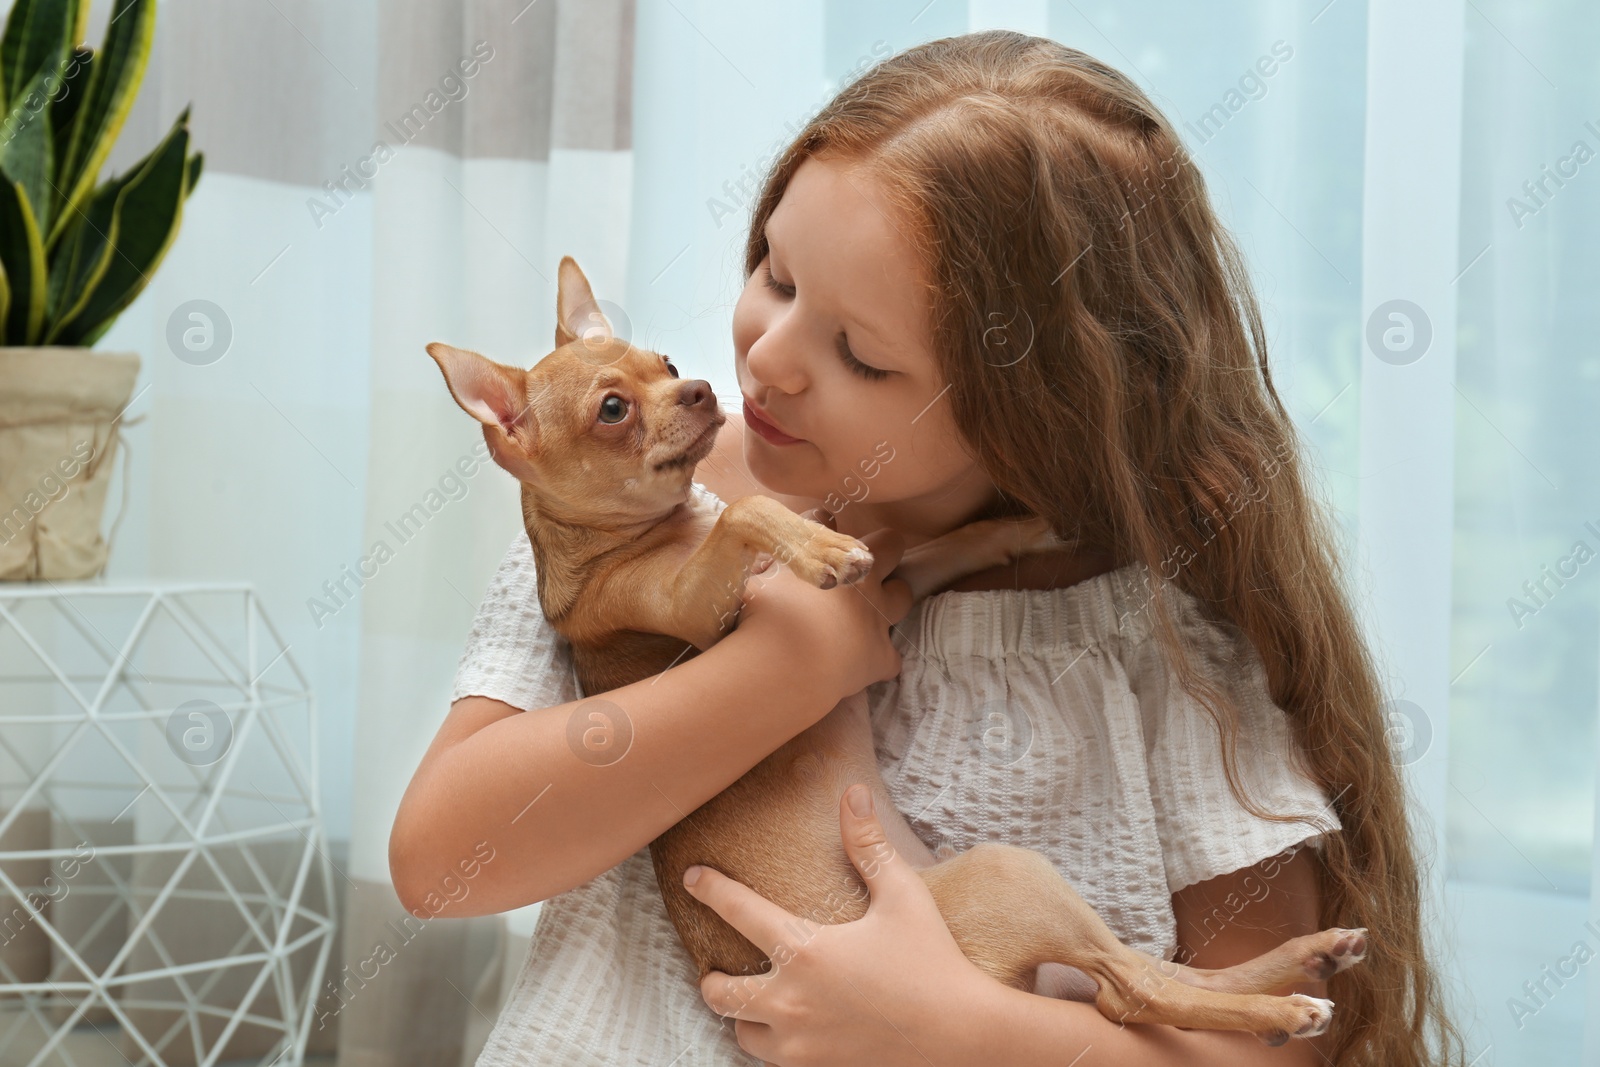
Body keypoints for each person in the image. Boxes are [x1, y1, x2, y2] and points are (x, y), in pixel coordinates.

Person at [390, 30, 1465, 1067]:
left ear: (1030, 412)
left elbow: (1281, 1042)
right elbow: (442, 859)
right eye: (775, 271)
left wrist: (967, 1037)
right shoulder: (639, 512)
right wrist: (794, 661)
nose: (768, 353)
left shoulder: (1154, 642)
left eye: (858, 352)